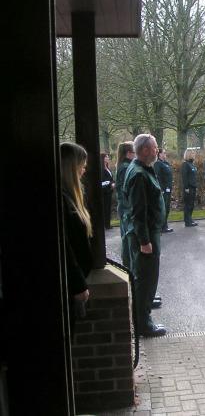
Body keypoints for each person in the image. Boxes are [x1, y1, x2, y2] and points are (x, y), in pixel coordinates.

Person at [122, 134, 166, 337]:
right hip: (146, 235)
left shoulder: (142, 169)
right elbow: (138, 212)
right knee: (146, 279)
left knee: (146, 279)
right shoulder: (139, 174)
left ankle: (142, 318)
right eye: (155, 147)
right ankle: (143, 324)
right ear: (146, 150)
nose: (157, 150)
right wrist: (145, 241)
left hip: (148, 232)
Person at [60, 142, 93, 336]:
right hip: (70, 289)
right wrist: (78, 284)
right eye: (81, 164)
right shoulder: (63, 200)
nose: (84, 169)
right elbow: (66, 247)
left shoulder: (67, 197)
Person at [116, 141, 135, 268]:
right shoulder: (125, 168)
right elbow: (125, 192)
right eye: (134, 152)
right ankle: (128, 268)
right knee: (128, 240)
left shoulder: (123, 166)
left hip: (124, 208)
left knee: (127, 239)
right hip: (126, 209)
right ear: (128, 153)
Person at [154, 148, 174, 233]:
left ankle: (165, 226)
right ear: (159, 154)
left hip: (168, 188)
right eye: (164, 153)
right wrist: (162, 189)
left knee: (167, 208)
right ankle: (162, 226)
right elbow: (158, 177)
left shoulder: (165, 163)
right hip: (164, 189)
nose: (165, 155)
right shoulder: (158, 164)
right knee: (163, 208)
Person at [181, 149, 198, 227]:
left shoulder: (192, 164)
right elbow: (185, 177)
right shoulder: (185, 164)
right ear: (188, 155)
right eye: (192, 153)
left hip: (193, 187)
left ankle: (190, 219)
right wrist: (186, 187)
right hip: (188, 188)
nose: (194, 155)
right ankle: (187, 221)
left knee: (191, 204)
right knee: (188, 205)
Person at [100, 152, 115, 229]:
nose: (108, 158)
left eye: (108, 157)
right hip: (104, 192)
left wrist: (113, 183)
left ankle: (107, 224)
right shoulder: (101, 169)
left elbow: (111, 179)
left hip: (109, 191)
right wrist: (110, 184)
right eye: (106, 157)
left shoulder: (107, 168)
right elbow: (102, 181)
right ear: (102, 158)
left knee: (108, 208)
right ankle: (105, 225)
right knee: (105, 208)